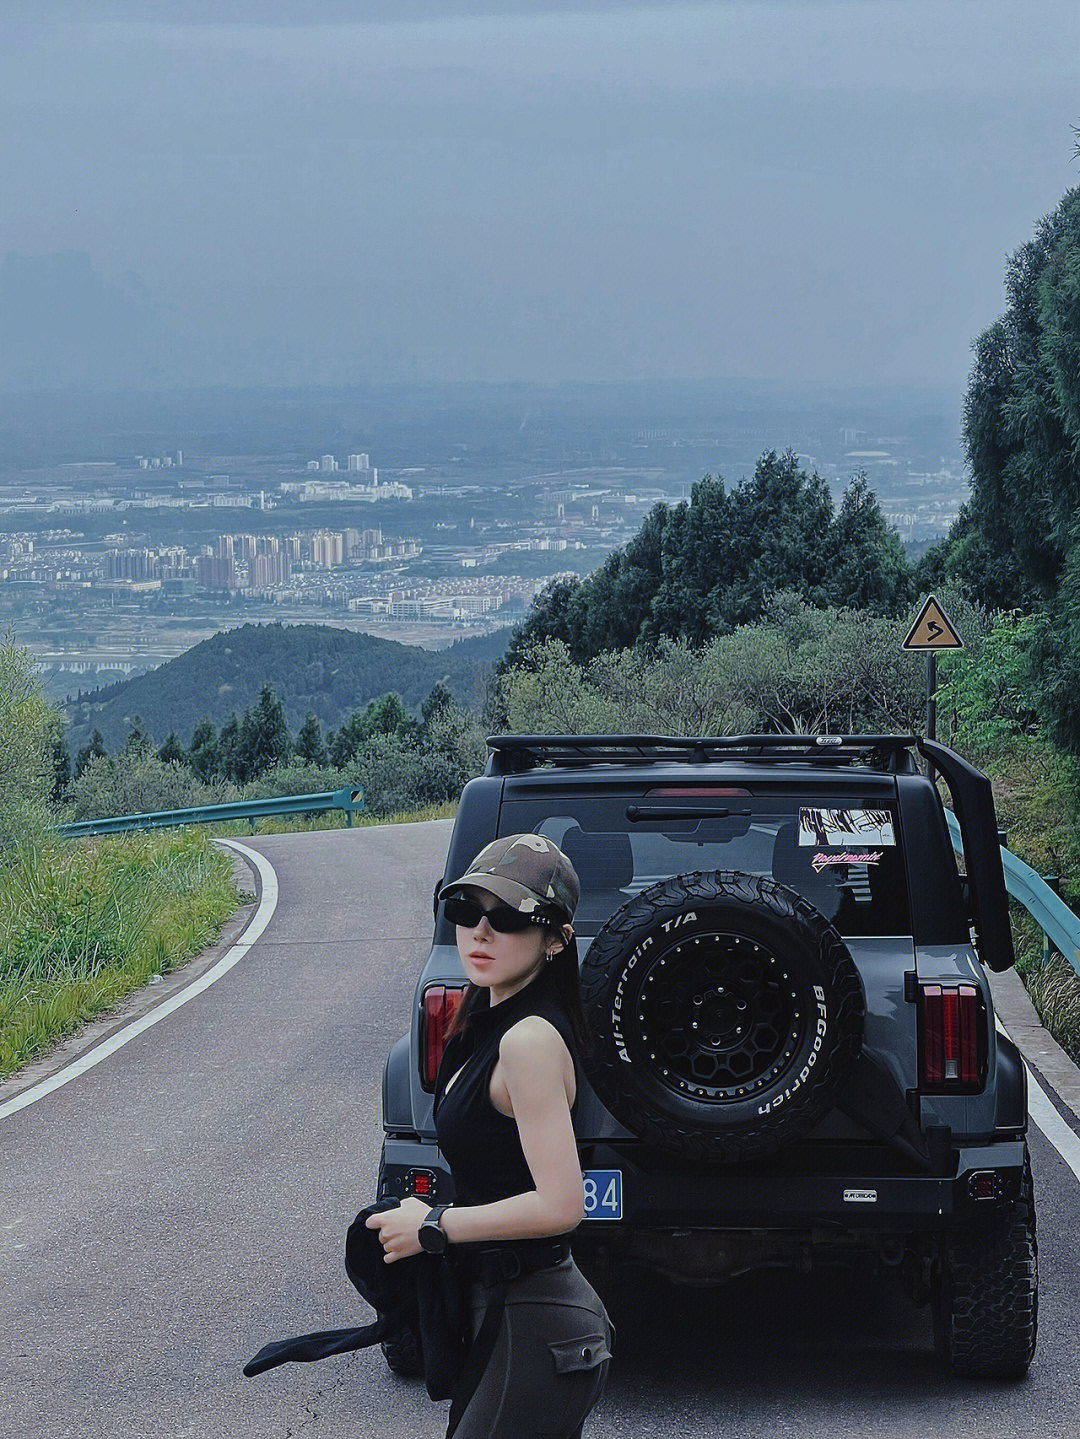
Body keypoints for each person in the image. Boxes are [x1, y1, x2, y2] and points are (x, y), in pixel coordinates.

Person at [365, 833, 614, 1439]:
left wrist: (434, 1226)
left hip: (539, 1316)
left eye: (506, 917)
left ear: (555, 939)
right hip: (502, 1306)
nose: (480, 931)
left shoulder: (528, 1041)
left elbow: (562, 1205)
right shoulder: (485, 1021)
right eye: (466, 911)